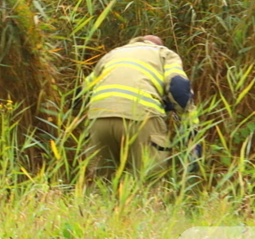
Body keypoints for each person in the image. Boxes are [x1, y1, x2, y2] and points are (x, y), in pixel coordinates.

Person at [82, 34, 194, 179]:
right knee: (147, 182)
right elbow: (178, 87)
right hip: (142, 117)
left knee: (100, 182)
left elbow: (83, 91)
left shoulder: (112, 54)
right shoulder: (163, 53)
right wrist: (189, 128)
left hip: (99, 119)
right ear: (159, 44)